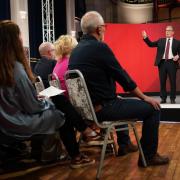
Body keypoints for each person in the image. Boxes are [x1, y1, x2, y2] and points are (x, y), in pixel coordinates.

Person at [69, 11, 170, 167]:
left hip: (87, 110)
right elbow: (122, 76)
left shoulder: (75, 50)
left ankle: (124, 144)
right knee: (153, 109)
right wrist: (144, 97)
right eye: (105, 28)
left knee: (120, 100)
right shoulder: (100, 47)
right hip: (103, 108)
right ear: (99, 29)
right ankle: (148, 157)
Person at [0, 20, 95, 168]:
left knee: (58, 101)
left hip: (6, 119)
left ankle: (83, 132)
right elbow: (32, 107)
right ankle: (77, 154)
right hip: (17, 122)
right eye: (19, 35)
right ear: (13, 40)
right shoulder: (16, 69)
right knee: (61, 114)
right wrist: (45, 102)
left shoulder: (5, 67)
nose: (21, 38)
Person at [34, 41, 102, 146]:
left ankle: (86, 133)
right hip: (61, 101)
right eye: (53, 50)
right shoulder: (60, 63)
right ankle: (91, 133)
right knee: (100, 101)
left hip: (50, 100)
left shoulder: (38, 65)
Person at [142, 26, 180, 104]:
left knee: (172, 82)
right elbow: (151, 44)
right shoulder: (161, 40)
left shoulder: (177, 42)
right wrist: (145, 38)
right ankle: (163, 98)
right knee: (162, 81)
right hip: (162, 63)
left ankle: (172, 98)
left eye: (169, 30)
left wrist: (178, 56)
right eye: (166, 30)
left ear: (173, 32)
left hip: (172, 63)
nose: (167, 32)